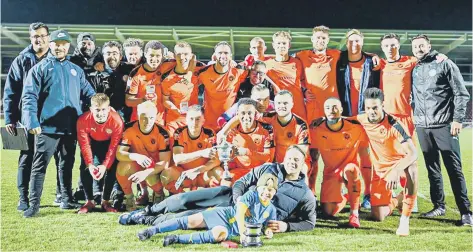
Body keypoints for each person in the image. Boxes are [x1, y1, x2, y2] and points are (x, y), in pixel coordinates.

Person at [119, 145, 316, 233]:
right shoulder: (268, 168)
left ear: (302, 163)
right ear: (284, 159)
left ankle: (146, 219)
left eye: (296, 160)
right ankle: (147, 211)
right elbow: (240, 183)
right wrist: (239, 198)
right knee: (182, 200)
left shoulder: (304, 193)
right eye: (289, 158)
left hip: (239, 217)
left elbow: (309, 222)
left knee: (187, 215)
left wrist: (287, 226)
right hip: (230, 197)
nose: (292, 162)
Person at [21, 29, 96, 217]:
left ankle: (66, 199)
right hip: (46, 128)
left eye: (64, 44)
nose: (60, 47)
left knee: (66, 165)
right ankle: (34, 205)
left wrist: (103, 107)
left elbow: (90, 94)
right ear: (50, 44)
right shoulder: (39, 69)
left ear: (68, 46)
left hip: (70, 128)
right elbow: (29, 96)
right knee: (39, 167)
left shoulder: (75, 70)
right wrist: (32, 121)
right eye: (56, 43)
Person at [410, 34, 472, 225]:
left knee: (454, 169)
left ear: (429, 46)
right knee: (432, 168)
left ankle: (465, 212)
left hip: (444, 125)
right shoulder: (415, 67)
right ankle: (439, 206)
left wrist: (457, 120)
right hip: (422, 126)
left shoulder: (444, 63)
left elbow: (461, 93)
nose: (418, 49)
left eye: (422, 45)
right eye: (415, 47)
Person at [2, 22, 62, 211]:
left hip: (52, 119)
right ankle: (23, 198)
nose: (39, 39)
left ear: (48, 37)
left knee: (59, 157)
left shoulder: (57, 59)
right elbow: (10, 91)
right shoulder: (21, 60)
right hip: (27, 119)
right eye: (36, 36)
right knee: (26, 157)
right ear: (31, 38)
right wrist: (10, 118)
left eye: (43, 35)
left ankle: (62, 195)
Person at [136, 173, 278, 246]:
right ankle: (151, 231)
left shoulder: (271, 209)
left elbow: (267, 225)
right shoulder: (251, 195)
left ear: (275, 192)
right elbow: (240, 214)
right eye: (264, 188)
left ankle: (176, 239)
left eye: (271, 190)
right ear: (258, 188)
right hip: (223, 215)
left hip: (229, 229)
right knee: (188, 221)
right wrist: (243, 234)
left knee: (219, 235)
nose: (267, 192)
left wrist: (268, 231)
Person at [356, 88, 418, 236]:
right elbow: (343, 120)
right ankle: (398, 200)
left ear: (383, 105)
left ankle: (404, 220)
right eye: (368, 108)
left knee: (413, 168)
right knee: (378, 215)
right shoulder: (361, 119)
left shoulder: (394, 124)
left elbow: (413, 153)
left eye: (375, 108)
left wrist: (396, 170)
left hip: (399, 167)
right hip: (379, 171)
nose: (371, 111)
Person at [310, 98, 369, 228]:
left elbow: (371, 118)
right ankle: (348, 196)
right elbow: (313, 158)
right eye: (328, 108)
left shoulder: (355, 126)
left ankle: (354, 214)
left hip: (349, 169)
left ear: (341, 109)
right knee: (329, 211)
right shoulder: (316, 129)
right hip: (331, 172)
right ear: (324, 112)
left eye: (335, 107)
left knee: (350, 170)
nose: (332, 110)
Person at [336, 29, 378, 208]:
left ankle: (368, 194)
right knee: (344, 158)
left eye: (358, 41)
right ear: (346, 43)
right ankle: (347, 193)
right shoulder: (339, 60)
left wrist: (374, 55)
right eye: (351, 41)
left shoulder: (371, 62)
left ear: (362, 43)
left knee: (366, 157)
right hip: (345, 116)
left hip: (365, 117)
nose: (354, 45)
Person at [115, 101, 171, 211]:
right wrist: (136, 156)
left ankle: (159, 194)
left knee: (150, 175)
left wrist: (145, 172)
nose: (147, 121)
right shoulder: (128, 129)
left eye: (151, 117)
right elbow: (119, 154)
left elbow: (165, 162)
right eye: (143, 117)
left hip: (155, 168)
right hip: (137, 164)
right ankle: (129, 197)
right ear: (137, 116)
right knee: (122, 167)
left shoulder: (162, 133)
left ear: (155, 116)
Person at [76, 93, 124, 213]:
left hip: (108, 143)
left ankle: (105, 201)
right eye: (97, 110)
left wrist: (104, 166)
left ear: (108, 109)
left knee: (112, 167)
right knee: (85, 167)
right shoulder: (83, 120)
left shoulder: (117, 121)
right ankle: (89, 201)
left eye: (103, 109)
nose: (100, 113)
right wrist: (90, 164)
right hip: (92, 142)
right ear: (91, 109)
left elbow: (113, 148)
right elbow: (84, 145)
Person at [160, 105, 222, 194]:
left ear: (203, 120)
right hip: (184, 173)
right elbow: (177, 158)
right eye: (191, 119)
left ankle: (210, 198)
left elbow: (216, 160)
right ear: (186, 120)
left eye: (198, 119)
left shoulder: (209, 134)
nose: (194, 123)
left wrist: (198, 170)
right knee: (166, 175)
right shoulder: (179, 133)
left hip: (203, 173)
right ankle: (180, 198)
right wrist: (201, 153)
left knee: (219, 173)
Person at [196, 41, 248, 131]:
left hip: (230, 123)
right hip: (209, 123)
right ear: (215, 55)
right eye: (220, 53)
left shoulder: (239, 71)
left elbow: (257, 66)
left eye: (226, 53)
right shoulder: (204, 72)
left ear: (231, 55)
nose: (223, 56)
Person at [221, 98, 275, 182]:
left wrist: (247, 152)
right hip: (239, 171)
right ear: (237, 114)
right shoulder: (231, 131)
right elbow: (225, 155)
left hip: (260, 172)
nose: (246, 117)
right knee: (225, 182)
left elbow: (269, 158)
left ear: (255, 114)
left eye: (250, 113)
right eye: (243, 113)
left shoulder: (266, 129)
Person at [161, 41, 203, 136]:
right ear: (175, 56)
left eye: (185, 54)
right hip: (174, 121)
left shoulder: (198, 70)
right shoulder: (167, 78)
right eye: (179, 54)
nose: (182, 57)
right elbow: (165, 100)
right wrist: (175, 109)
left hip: (193, 120)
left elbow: (216, 70)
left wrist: (231, 62)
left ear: (191, 55)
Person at [264, 31, 306, 120]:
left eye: (284, 43)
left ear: (289, 45)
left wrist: (306, 91)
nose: (281, 46)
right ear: (273, 45)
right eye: (278, 43)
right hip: (279, 109)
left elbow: (303, 82)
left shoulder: (297, 63)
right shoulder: (266, 65)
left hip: (298, 108)